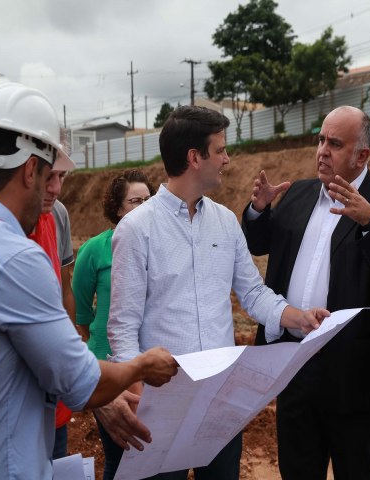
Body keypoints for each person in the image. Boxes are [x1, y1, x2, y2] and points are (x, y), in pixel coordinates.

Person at [0, 82, 179, 479]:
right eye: (50, 175)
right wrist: (141, 366)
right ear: (30, 170)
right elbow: (83, 385)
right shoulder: (16, 258)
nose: (55, 188)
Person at [108, 105, 330, 480]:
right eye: (221, 150)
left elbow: (254, 294)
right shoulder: (135, 230)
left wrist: (300, 317)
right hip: (163, 401)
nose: (228, 159)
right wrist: (138, 391)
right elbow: (123, 326)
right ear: (195, 157)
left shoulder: (226, 222)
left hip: (219, 402)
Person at [242, 105, 370, 480]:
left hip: (354, 380)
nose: (322, 150)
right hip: (294, 366)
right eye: (320, 140)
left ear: (362, 155)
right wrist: (258, 210)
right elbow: (260, 244)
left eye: (334, 143)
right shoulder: (299, 194)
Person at [73, 169, 155, 480]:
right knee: (121, 460)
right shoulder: (94, 250)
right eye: (136, 201)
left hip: (152, 367)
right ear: (117, 208)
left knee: (155, 461)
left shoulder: (160, 246)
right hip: (110, 371)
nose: (145, 206)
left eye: (150, 200)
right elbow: (81, 315)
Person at [28, 162, 76, 460]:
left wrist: (71, 346)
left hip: (53, 392)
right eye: (49, 176)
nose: (56, 188)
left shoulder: (57, 214)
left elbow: (65, 288)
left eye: (62, 177)